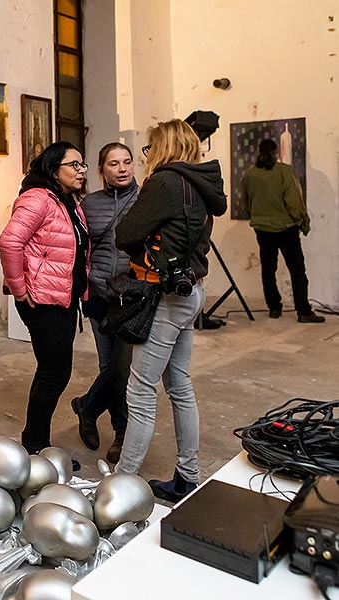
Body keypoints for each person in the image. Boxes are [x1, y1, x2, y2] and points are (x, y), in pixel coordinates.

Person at [113, 119, 227, 502]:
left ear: (163, 148)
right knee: (179, 385)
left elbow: (125, 234)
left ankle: (122, 483)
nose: (147, 155)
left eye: (149, 147)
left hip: (166, 297)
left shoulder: (163, 182)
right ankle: (187, 476)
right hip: (192, 291)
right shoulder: (202, 183)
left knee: (141, 390)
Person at [0, 141, 90, 464]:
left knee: (51, 371)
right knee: (55, 373)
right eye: (74, 165)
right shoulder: (37, 198)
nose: (81, 171)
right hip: (43, 300)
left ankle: (34, 442)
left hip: (62, 298)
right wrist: (19, 289)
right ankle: (35, 446)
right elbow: (9, 242)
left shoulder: (67, 202)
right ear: (54, 169)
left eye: (83, 165)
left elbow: (76, 248)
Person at [70, 142, 139, 464]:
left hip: (133, 298)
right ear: (102, 170)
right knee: (108, 365)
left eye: (127, 162)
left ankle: (92, 409)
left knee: (122, 370)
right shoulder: (89, 203)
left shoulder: (146, 201)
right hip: (98, 295)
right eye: (114, 163)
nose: (122, 168)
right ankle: (111, 422)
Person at [241, 138, 324, 323]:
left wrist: (259, 217)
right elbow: (294, 202)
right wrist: (303, 222)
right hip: (286, 228)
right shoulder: (284, 172)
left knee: (268, 269)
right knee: (297, 270)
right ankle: (303, 311)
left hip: (262, 229)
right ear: (276, 152)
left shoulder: (251, 175)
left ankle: (274, 308)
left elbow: (246, 203)